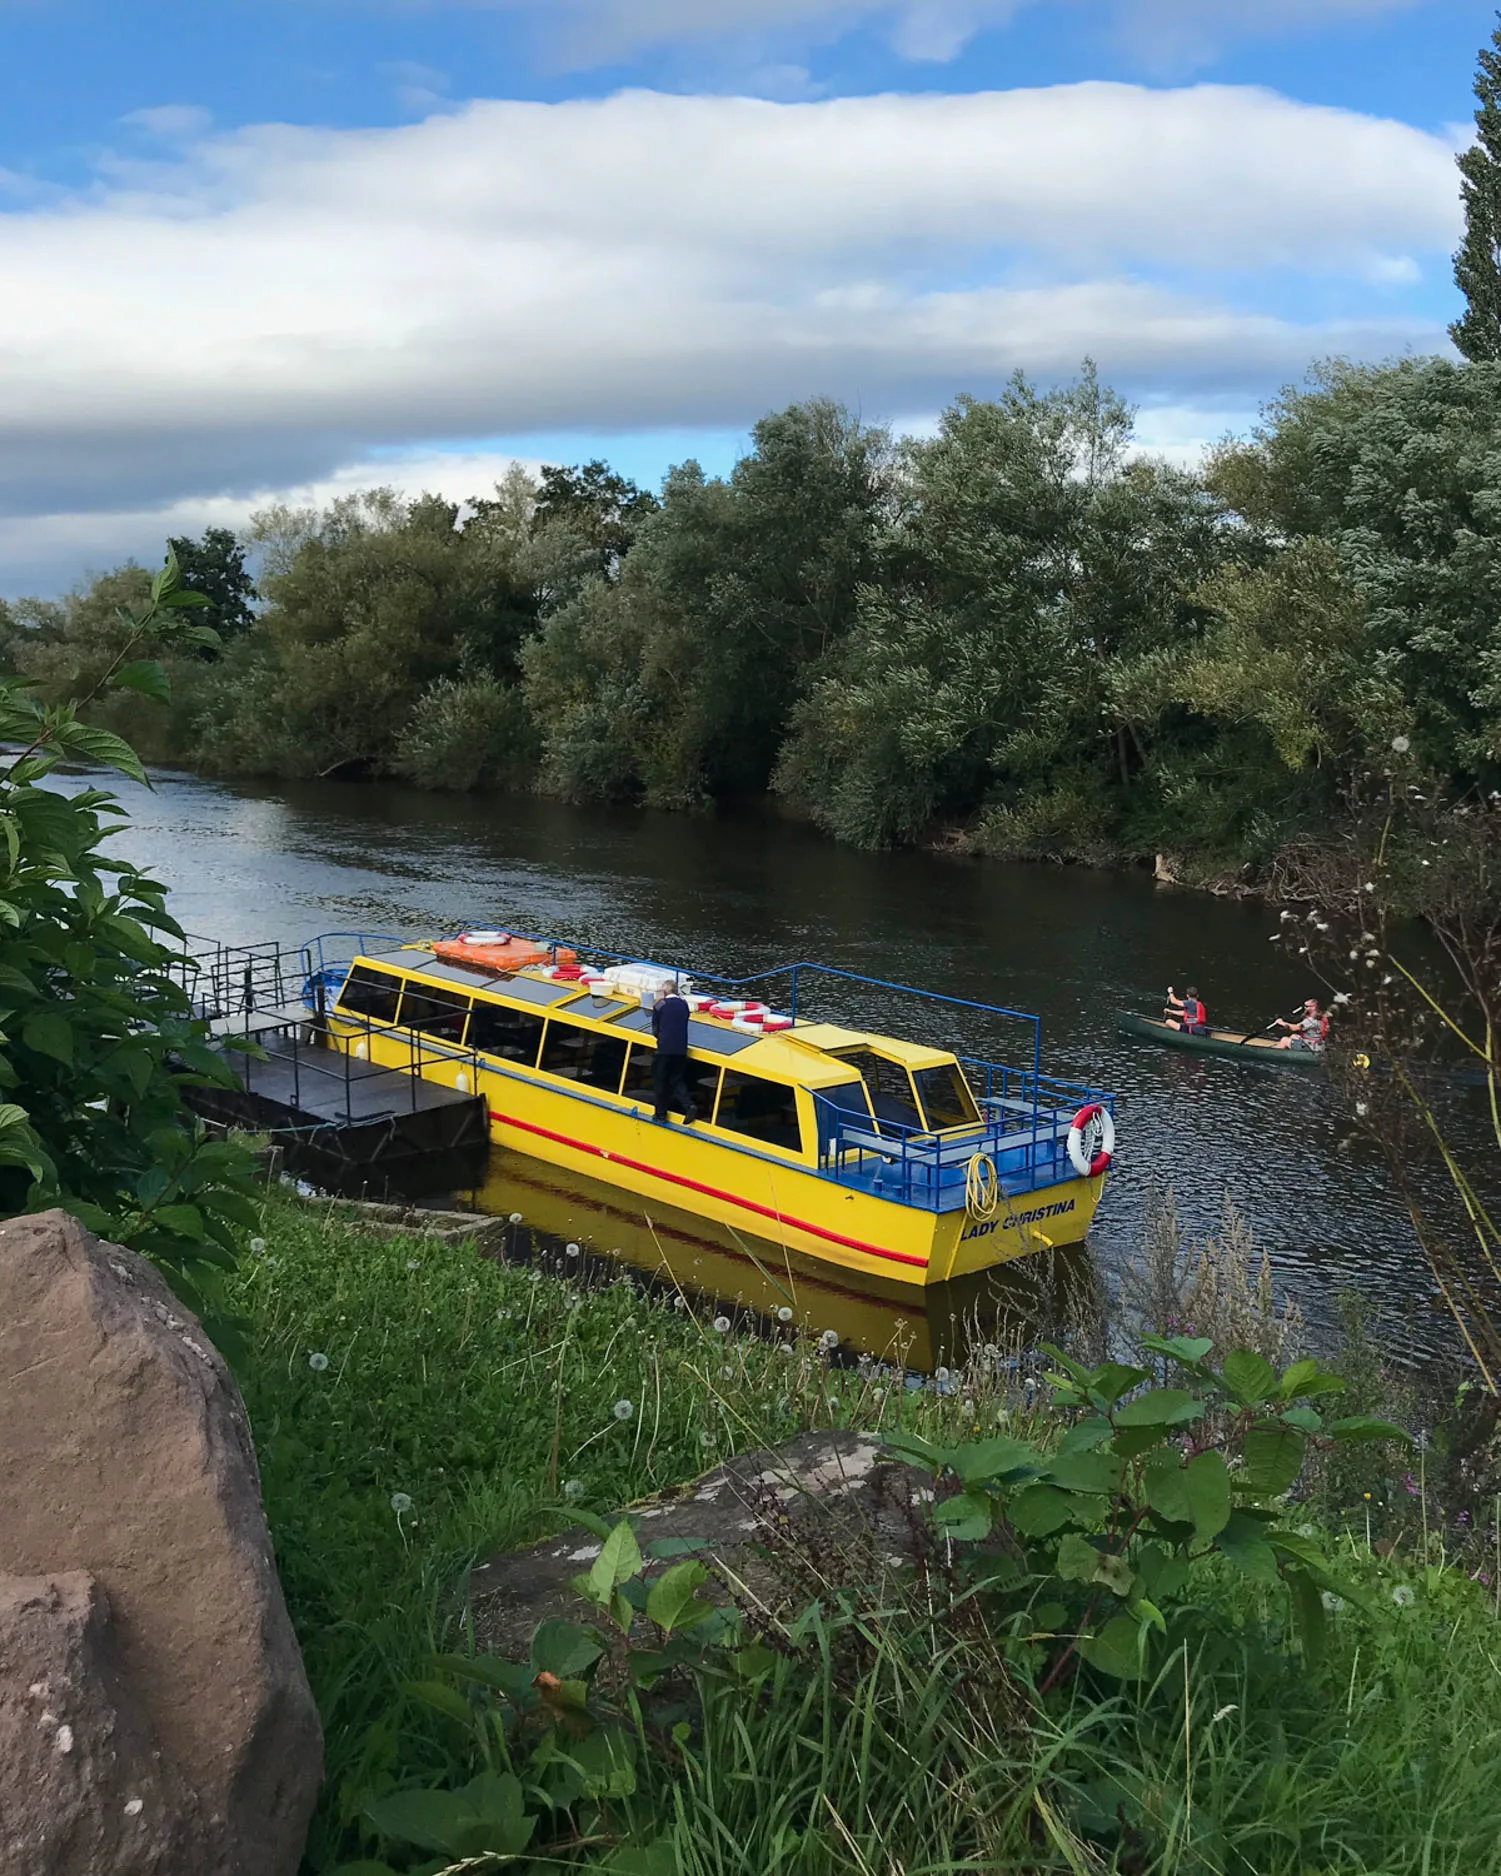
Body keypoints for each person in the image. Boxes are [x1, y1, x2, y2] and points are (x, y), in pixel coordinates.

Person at [650, 979, 696, 1124]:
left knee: (660, 1079)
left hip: (664, 1049)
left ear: (665, 992)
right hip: (681, 1049)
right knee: (676, 1079)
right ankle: (689, 1106)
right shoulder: (684, 1005)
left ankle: (660, 1114)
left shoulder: (660, 1005)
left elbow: (655, 1030)